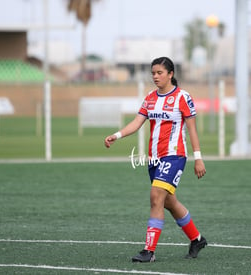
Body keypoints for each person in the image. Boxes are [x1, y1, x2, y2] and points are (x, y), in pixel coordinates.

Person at [104, 57, 207, 263]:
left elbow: (192, 129)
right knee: (168, 201)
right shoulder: (150, 98)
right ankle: (197, 239)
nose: (155, 77)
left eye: (159, 73)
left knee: (155, 197)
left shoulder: (182, 97)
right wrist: (116, 135)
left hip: (175, 156)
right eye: (153, 73)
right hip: (154, 160)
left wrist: (198, 158)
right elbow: (136, 123)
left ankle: (148, 251)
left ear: (171, 74)